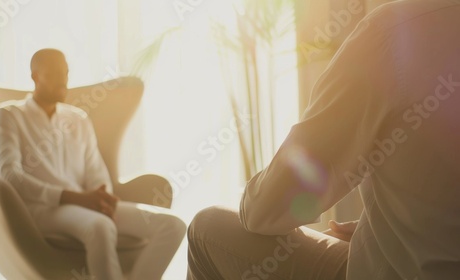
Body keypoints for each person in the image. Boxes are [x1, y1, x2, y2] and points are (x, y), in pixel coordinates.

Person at [187, 0, 460, 279]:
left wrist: (253, 197)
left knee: (207, 230)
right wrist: (392, 227)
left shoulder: (394, 31)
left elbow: (269, 207)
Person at [0, 48, 186, 280]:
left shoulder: (78, 118)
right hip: (41, 211)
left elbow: (96, 171)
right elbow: (10, 176)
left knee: (173, 226)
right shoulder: (9, 115)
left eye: (66, 72)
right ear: (35, 76)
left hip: (88, 205)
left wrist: (102, 196)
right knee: (101, 227)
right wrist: (72, 197)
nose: (63, 80)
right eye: (54, 73)